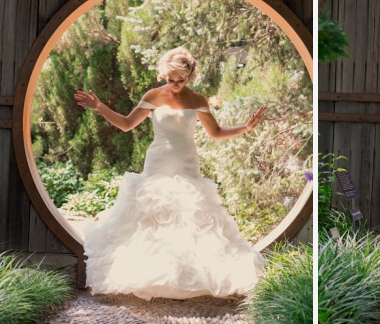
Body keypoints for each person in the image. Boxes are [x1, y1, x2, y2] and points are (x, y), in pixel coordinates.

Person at [73, 46, 266, 300]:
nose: (175, 84)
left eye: (181, 80)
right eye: (170, 79)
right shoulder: (153, 96)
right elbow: (126, 124)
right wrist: (99, 107)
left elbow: (216, 133)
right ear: (164, 75)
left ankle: (190, 279)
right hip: (158, 161)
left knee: (192, 216)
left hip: (186, 163)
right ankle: (153, 278)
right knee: (152, 218)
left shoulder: (197, 100)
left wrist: (245, 127)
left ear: (189, 77)